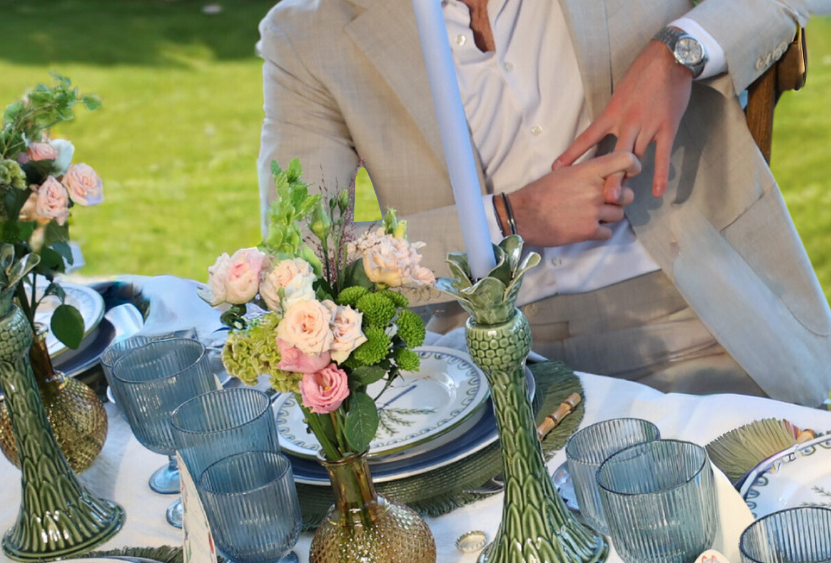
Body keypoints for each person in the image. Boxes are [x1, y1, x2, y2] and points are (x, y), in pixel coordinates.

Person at [257, 0, 831, 405]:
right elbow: (306, 257)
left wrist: (676, 54)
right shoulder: (308, 35)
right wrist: (510, 218)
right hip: (484, 361)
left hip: (696, 315)